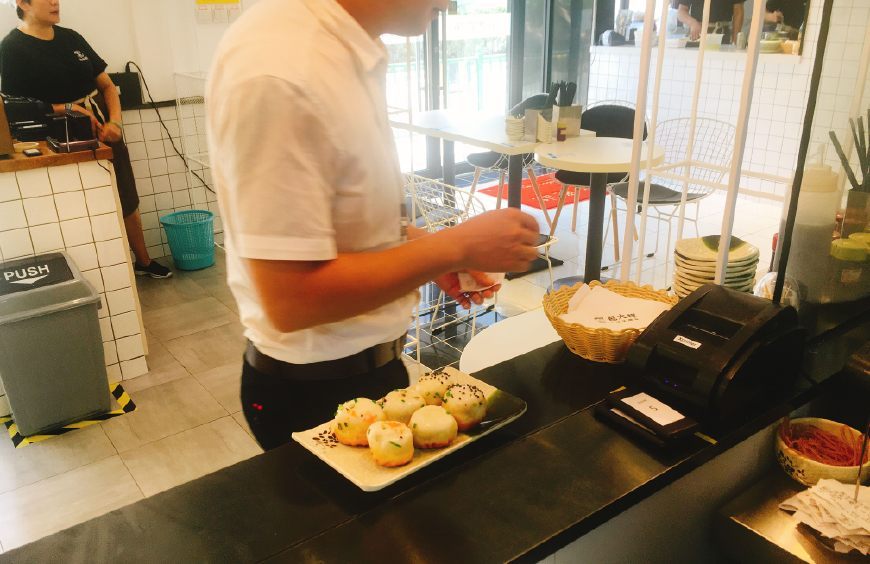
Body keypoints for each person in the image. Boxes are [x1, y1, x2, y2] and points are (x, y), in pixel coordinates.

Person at [207, 0, 541, 450]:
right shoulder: (281, 70)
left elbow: (351, 217)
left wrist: (428, 254)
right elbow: (290, 299)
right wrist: (457, 246)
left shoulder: (344, 47)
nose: (448, 3)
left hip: (373, 370)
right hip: (315, 393)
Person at [0, 0, 171, 279]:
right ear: (22, 3)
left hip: (100, 127)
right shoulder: (12, 48)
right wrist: (67, 107)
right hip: (54, 137)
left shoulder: (72, 38)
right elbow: (12, 106)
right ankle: (101, 275)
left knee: (125, 194)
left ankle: (143, 260)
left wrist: (115, 122)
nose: (55, 1)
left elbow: (107, 86)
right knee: (79, 206)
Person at [674, 0, 746, 44]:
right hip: (697, 35)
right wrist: (693, 23)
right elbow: (681, 11)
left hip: (722, 35)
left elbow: (738, 11)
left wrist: (735, 40)